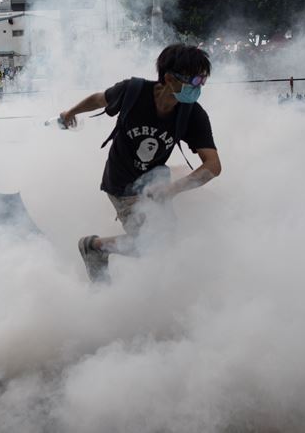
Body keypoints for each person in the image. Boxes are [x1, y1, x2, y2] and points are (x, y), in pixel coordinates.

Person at [58, 44, 221, 283]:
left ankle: (153, 286)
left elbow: (213, 165)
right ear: (169, 78)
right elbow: (99, 99)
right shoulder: (132, 91)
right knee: (153, 245)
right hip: (121, 182)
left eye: (203, 80)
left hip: (156, 183)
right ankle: (95, 248)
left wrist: (174, 188)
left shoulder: (193, 114)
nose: (199, 87)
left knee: (165, 241)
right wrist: (70, 112)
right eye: (194, 80)